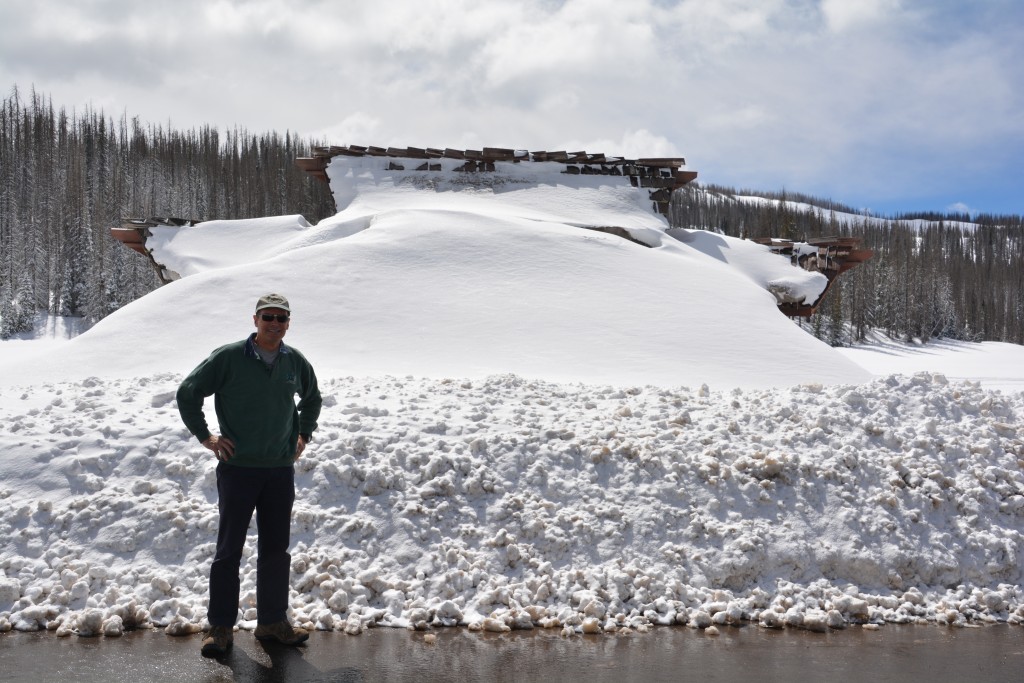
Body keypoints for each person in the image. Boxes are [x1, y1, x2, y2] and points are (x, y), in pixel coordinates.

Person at [176, 293, 322, 658]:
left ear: (288, 322)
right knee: (228, 551)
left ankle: (272, 623)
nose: (275, 323)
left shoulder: (294, 362)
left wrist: (303, 434)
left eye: (282, 318)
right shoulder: (228, 358)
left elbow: (313, 398)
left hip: (278, 471)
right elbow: (188, 392)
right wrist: (206, 436)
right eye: (268, 316)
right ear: (255, 320)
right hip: (238, 470)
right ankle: (220, 628)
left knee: (276, 550)